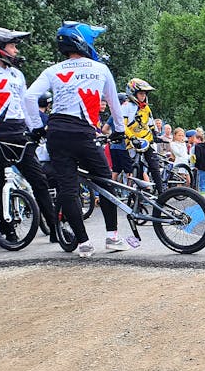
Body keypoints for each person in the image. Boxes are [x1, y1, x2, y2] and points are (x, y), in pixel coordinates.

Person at [23, 21, 129, 258]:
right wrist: (119, 130)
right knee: (105, 183)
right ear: (84, 41)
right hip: (83, 132)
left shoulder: (53, 70)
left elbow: (29, 97)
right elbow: (113, 103)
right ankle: (112, 237)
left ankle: (84, 243)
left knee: (68, 189)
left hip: (57, 133)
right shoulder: (100, 69)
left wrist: (37, 128)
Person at [0, 26, 59, 243]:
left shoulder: (17, 74)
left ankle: (55, 228)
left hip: (19, 134)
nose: (15, 50)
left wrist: (36, 129)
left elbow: (24, 106)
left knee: (39, 180)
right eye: (12, 46)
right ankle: (6, 230)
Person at [121, 77, 165, 192]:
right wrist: (132, 137)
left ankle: (161, 192)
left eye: (144, 94)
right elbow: (123, 125)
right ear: (133, 93)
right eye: (141, 93)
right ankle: (141, 193)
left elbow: (150, 123)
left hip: (146, 141)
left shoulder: (146, 108)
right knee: (137, 167)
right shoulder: (126, 107)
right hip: (132, 141)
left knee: (154, 166)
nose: (143, 96)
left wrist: (155, 135)